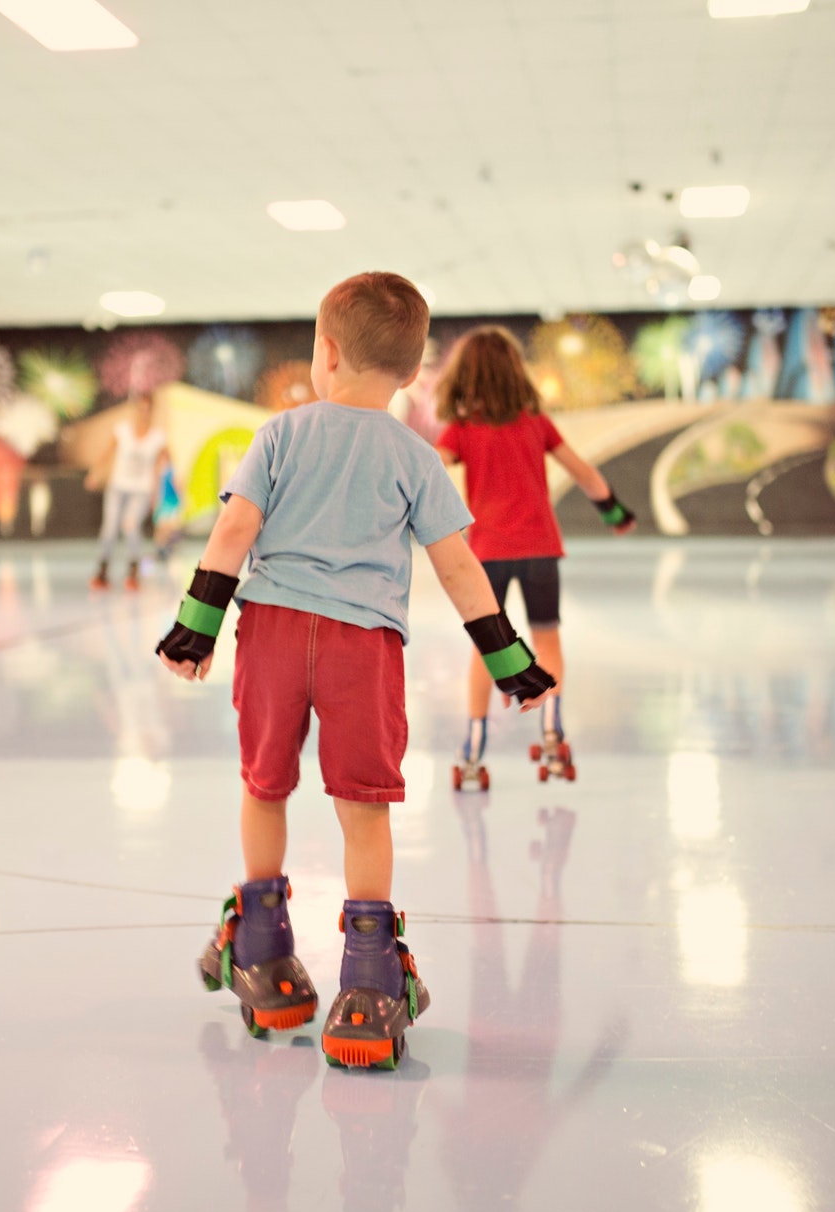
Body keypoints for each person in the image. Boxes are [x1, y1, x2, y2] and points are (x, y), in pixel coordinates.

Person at [159, 272, 556, 1071]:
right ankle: (369, 987)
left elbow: (235, 527)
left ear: (325, 353)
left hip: (271, 632)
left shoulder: (281, 434)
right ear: (413, 374)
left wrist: (194, 627)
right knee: (363, 809)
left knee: (264, 784)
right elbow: (460, 569)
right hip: (362, 648)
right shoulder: (414, 455)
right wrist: (511, 659)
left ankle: (265, 953)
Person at [434, 326, 636, 787]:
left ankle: (473, 748)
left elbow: (430, 468)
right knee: (547, 640)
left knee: (488, 648)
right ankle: (550, 732)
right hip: (541, 548)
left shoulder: (462, 429)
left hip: (486, 553)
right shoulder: (535, 423)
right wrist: (616, 513)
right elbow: (584, 473)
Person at [89, 394, 168, 591]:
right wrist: (95, 473)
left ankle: (133, 570)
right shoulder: (122, 431)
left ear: (152, 412)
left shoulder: (158, 437)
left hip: (141, 490)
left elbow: (164, 464)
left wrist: (160, 493)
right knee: (110, 528)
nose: (143, 414)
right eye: (140, 409)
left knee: (131, 526)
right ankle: (102, 570)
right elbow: (107, 452)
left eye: (147, 409)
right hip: (118, 488)